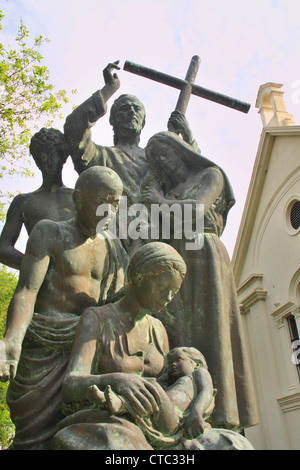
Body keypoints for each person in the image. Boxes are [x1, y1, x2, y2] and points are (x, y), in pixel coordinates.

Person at [52, 242, 254, 451]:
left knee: (234, 445)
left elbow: (169, 387)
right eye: (162, 288)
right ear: (140, 277)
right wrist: (117, 380)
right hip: (108, 421)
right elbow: (70, 383)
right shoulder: (96, 319)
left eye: (173, 292)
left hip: (163, 426)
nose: (167, 298)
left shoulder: (158, 329)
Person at [0, 166, 128, 450]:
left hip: (86, 350)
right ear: (79, 199)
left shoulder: (113, 247)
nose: (109, 211)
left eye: (115, 204)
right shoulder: (50, 233)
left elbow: (120, 305)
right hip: (44, 346)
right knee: (32, 440)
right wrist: (11, 342)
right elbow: (26, 292)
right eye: (102, 201)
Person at [142, 131, 258, 431]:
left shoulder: (211, 174)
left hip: (204, 253)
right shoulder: (167, 187)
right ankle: (177, 406)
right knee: (178, 329)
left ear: (179, 150)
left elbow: (196, 211)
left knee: (212, 329)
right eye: (153, 158)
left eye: (163, 152)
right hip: (175, 256)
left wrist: (159, 201)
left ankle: (221, 413)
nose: (160, 161)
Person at [63, 61, 199, 255]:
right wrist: (110, 89)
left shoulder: (160, 161)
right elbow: (74, 129)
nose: (131, 113)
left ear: (143, 121)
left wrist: (188, 137)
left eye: (137, 109)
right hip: (111, 239)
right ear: (112, 119)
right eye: (125, 109)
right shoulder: (100, 156)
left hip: (155, 238)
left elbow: (194, 180)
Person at [86, 346, 216, 447]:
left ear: (197, 364)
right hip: (159, 413)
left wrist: (196, 413)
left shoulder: (199, 373)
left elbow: (206, 392)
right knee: (147, 392)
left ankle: (119, 403)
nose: (173, 364)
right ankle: (118, 403)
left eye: (178, 360)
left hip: (175, 419)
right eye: (171, 363)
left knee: (153, 388)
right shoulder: (170, 384)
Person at [0, 128, 76, 270]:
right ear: (35, 159)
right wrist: (38, 268)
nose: (47, 161)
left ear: (64, 156)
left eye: (52, 154)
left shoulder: (78, 198)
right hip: (41, 285)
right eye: (41, 155)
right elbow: (3, 249)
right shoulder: (23, 202)